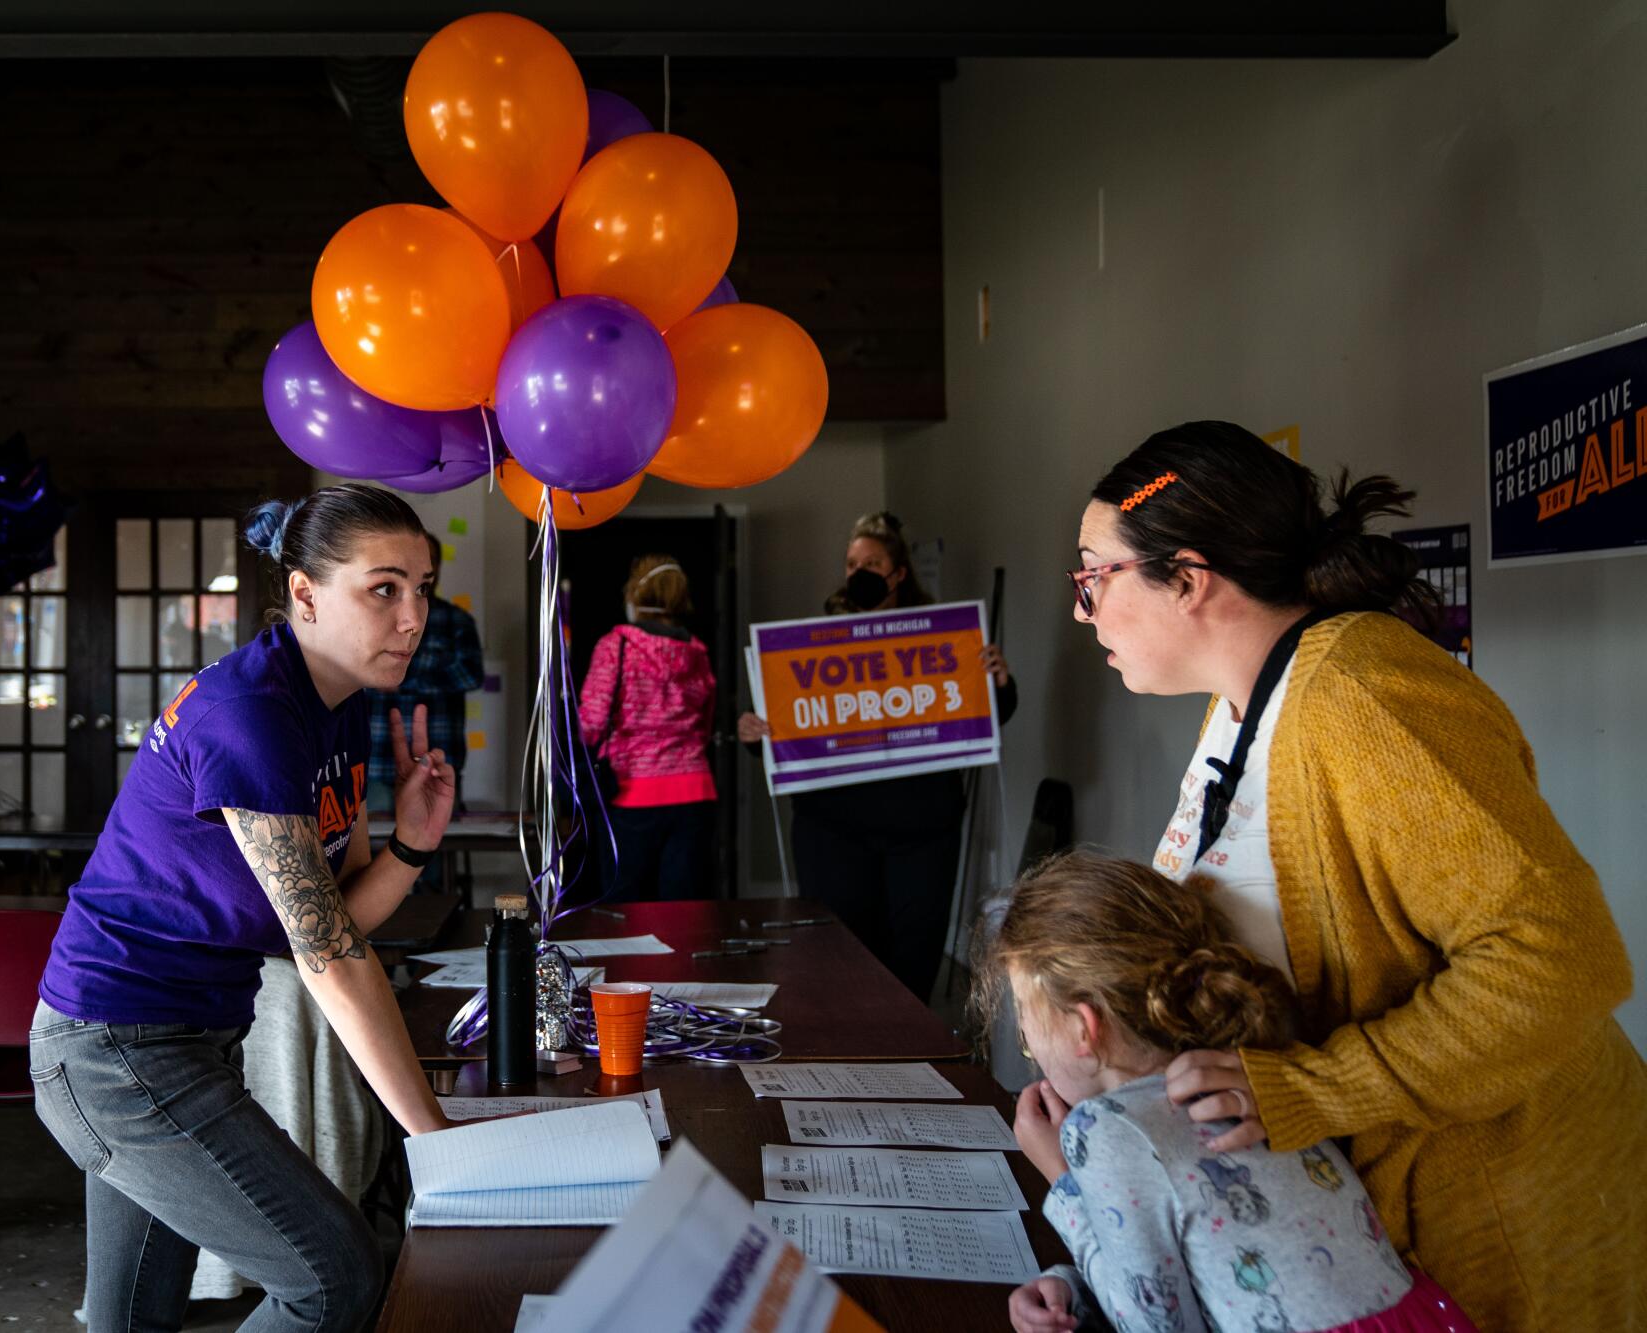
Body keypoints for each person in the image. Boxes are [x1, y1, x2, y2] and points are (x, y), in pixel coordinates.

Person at [1071, 420, 1646, 1330]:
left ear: (1188, 578)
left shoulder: (1363, 697)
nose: (1082, 608)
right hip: (1362, 1224)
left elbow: (1561, 961)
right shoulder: (1239, 706)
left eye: (1094, 575)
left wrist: (1320, 1089)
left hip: (1504, 1220)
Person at [30, 485, 458, 1333]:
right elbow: (328, 953)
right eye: (384, 588)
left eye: (423, 587)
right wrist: (437, 1140)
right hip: (116, 1050)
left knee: (130, 1320)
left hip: (186, 1040)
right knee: (335, 1275)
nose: (414, 616)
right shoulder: (252, 716)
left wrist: (412, 842)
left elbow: (339, 917)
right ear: (304, 594)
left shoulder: (335, 707)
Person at [983, 850, 1478, 1333]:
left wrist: (1063, 1182)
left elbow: (1154, 1322)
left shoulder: (1108, 1128)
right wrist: (1067, 1287)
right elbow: (1192, 1270)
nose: (1026, 1039)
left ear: (1083, 1028)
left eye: (1025, 1018)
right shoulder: (1259, 1079)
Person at [736, 511, 1015, 999]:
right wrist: (755, 733)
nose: (857, 570)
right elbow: (791, 734)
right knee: (840, 959)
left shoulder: (944, 639)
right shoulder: (811, 647)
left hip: (922, 832)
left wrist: (998, 683)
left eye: (871, 561)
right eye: (850, 562)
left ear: (899, 572)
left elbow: (989, 715)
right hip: (834, 832)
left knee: (915, 956)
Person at [577, 555, 718, 901]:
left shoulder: (617, 646)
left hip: (632, 791)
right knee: (683, 910)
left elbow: (591, 723)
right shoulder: (697, 651)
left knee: (624, 908)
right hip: (694, 791)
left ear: (634, 595)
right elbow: (705, 723)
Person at [365, 529, 484, 816]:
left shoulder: (456, 620)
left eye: (428, 561)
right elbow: (355, 673)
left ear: (437, 568)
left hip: (436, 760)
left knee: (431, 852)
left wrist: (401, 679)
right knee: (370, 853)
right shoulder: (372, 615)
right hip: (376, 758)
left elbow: (470, 675)